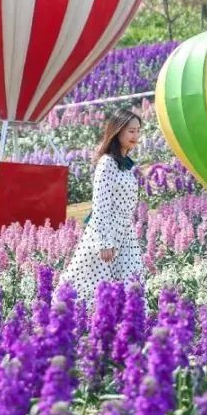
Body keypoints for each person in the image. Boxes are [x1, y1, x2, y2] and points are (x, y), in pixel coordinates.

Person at [60, 108, 145, 304]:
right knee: (92, 286)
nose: (136, 135)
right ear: (117, 131)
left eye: (138, 130)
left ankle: (130, 325)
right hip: (105, 232)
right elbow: (100, 205)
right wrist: (104, 242)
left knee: (132, 282)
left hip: (126, 233)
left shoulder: (128, 164)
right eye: (131, 131)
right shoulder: (107, 163)